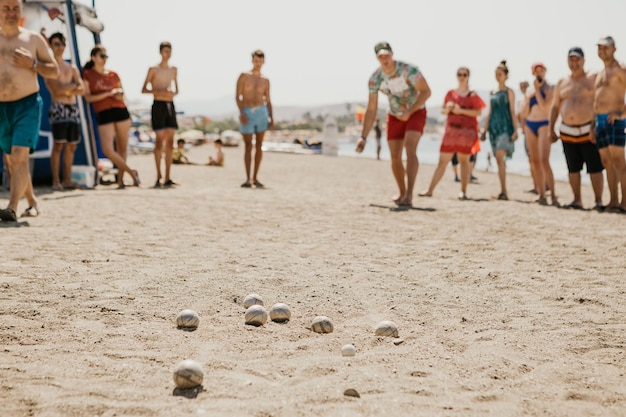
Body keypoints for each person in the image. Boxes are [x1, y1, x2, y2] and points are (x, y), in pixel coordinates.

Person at [0, 0, 59, 222]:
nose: (11, 12)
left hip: (27, 105)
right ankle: (32, 201)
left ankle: (12, 207)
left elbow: (54, 71)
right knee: (13, 161)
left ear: (21, 11)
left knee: (18, 157)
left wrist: (33, 64)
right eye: (6, 8)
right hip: (2, 108)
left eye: (15, 8)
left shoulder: (33, 39)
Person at [355, 42, 431, 207]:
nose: (385, 59)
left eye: (387, 55)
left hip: (415, 111)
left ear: (392, 54)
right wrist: (363, 137)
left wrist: (409, 112)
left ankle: (409, 195)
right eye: (381, 56)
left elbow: (426, 92)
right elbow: (371, 109)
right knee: (395, 155)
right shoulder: (375, 79)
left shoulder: (408, 70)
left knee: (410, 148)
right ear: (377, 58)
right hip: (395, 114)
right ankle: (402, 192)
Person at [549, 47, 604, 210]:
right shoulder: (562, 82)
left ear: (583, 60)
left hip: (589, 129)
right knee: (573, 167)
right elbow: (555, 106)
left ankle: (598, 200)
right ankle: (577, 199)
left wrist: (596, 123)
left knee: (594, 166)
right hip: (567, 130)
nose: (574, 63)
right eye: (571, 59)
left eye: (577, 59)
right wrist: (550, 129)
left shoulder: (592, 78)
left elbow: (600, 100)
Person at [419, 67, 485, 200]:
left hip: (466, 131)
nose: (462, 76)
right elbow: (443, 111)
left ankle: (463, 191)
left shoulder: (472, 95)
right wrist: (449, 108)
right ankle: (430, 190)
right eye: (459, 74)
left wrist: (460, 110)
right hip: (451, 131)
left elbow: (478, 112)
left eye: (464, 74)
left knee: (464, 161)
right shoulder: (450, 93)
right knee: (442, 160)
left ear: (468, 77)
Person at [82, 45, 139, 189]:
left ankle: (121, 180)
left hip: (120, 110)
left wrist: (118, 95)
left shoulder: (114, 74)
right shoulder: (88, 74)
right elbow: (88, 98)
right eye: (102, 56)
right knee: (108, 149)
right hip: (103, 111)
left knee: (122, 147)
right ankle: (131, 172)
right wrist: (108, 94)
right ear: (94, 57)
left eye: (106, 56)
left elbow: (123, 94)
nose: (104, 59)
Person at [44, 32, 84, 191]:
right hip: (58, 108)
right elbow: (57, 91)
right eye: (56, 44)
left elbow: (82, 89)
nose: (60, 47)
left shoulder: (71, 67)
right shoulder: (50, 67)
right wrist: (72, 88)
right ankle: (56, 180)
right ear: (51, 46)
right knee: (58, 145)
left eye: (62, 44)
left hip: (72, 109)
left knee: (72, 146)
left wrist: (68, 89)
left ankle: (67, 179)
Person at [593, 36, 626, 213]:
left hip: (616, 120)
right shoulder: (600, 73)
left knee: (619, 161)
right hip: (599, 121)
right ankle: (613, 201)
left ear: (614, 48)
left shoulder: (620, 69)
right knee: (607, 162)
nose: (602, 51)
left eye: (605, 48)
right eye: (599, 48)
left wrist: (622, 114)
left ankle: (624, 202)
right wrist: (593, 124)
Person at [141, 41, 179, 188]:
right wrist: (158, 92)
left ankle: (168, 177)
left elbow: (177, 89)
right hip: (158, 104)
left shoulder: (173, 70)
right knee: (158, 142)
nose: (167, 54)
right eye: (165, 51)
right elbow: (144, 89)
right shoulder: (153, 69)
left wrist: (172, 93)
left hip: (170, 104)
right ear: (160, 52)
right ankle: (159, 176)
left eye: (169, 51)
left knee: (170, 142)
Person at [236, 49, 273, 188]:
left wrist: (271, 117)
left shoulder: (265, 80)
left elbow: (268, 99)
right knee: (247, 146)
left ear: (263, 61)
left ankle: (255, 177)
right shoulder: (244, 76)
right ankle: (247, 178)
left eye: (260, 61)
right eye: (256, 60)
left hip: (261, 112)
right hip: (247, 111)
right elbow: (238, 96)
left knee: (259, 146)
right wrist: (242, 113)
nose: (258, 63)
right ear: (252, 60)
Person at [482, 60, 518, 200]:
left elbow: (512, 111)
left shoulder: (509, 92)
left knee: (499, 155)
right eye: (496, 74)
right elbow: (489, 112)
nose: (498, 76)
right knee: (499, 160)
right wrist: (484, 130)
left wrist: (515, 130)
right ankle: (503, 191)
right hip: (493, 128)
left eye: (500, 74)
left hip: (505, 127)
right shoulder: (492, 91)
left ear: (506, 75)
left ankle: (504, 190)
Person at [524, 62, 557, 206]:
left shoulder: (550, 88)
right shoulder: (529, 90)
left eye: (542, 70)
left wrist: (537, 90)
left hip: (544, 123)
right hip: (530, 123)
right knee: (534, 161)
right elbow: (525, 111)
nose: (539, 73)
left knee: (544, 160)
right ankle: (541, 193)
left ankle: (554, 194)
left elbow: (545, 106)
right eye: (537, 71)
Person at [516, 80, 538, 194]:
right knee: (530, 159)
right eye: (521, 85)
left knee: (538, 159)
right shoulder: (520, 100)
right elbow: (519, 116)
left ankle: (544, 184)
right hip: (525, 133)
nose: (523, 87)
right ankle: (535, 185)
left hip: (534, 132)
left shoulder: (533, 98)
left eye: (525, 85)